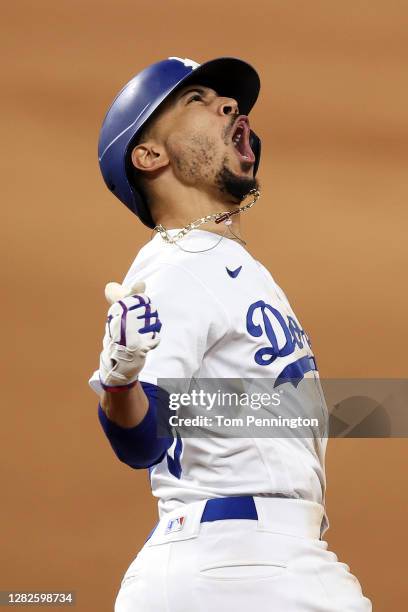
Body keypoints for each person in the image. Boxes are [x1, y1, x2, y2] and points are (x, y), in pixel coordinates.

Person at [89, 56, 372, 611]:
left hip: (238, 561)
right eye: (196, 100)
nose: (229, 106)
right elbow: (142, 441)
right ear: (149, 155)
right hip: (242, 568)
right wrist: (121, 381)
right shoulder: (178, 266)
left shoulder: (224, 264)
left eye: (229, 102)